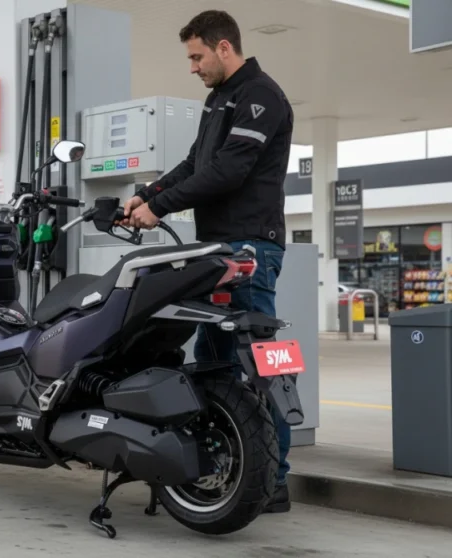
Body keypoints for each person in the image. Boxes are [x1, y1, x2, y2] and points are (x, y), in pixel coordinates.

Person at [122, 9, 294, 513]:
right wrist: (147, 194)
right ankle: (232, 468)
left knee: (258, 364)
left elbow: (229, 171)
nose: (193, 66)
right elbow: (195, 163)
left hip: (251, 247)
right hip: (218, 249)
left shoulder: (261, 95)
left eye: (197, 56)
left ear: (224, 47)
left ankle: (273, 480)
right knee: (214, 360)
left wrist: (161, 208)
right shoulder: (220, 99)